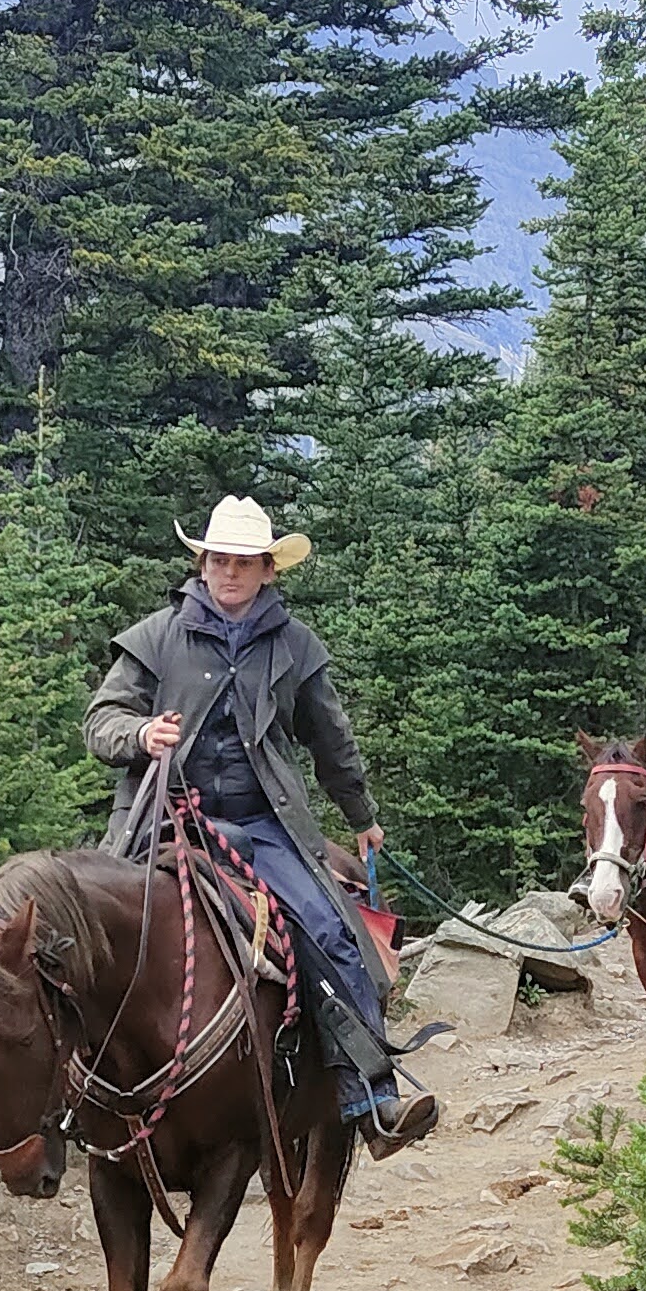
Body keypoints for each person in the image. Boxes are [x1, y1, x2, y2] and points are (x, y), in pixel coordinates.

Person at [84, 495, 438, 1155]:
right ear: (203, 562)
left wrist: (360, 817)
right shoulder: (157, 636)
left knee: (332, 931)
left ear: (268, 570)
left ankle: (371, 1096)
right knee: (80, 928)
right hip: (161, 815)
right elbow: (100, 720)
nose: (229, 572)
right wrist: (140, 731)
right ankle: (63, 1102)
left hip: (261, 820)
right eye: (219, 559)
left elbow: (331, 742)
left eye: (244, 563)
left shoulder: (296, 647)